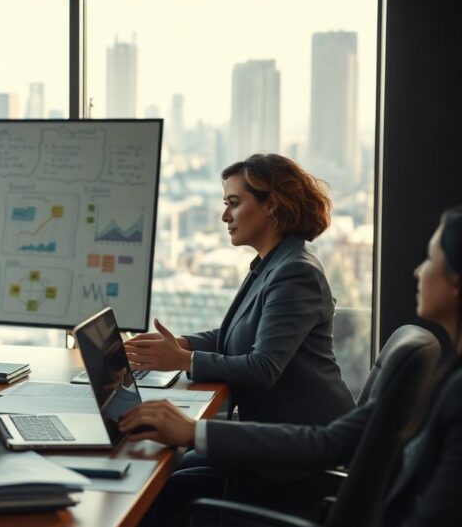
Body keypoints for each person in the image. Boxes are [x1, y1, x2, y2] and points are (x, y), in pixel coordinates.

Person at [120, 206, 462, 526]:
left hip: (297, 476)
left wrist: (192, 429)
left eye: (430, 259)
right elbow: (333, 441)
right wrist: (183, 352)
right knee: (173, 470)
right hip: (309, 454)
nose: (419, 271)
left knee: (164, 488)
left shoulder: (455, 395)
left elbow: (433, 512)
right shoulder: (447, 383)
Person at [125, 154, 354, 426]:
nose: (224, 216)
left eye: (233, 204)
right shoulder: (272, 262)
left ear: (270, 205)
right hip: (275, 432)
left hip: (303, 442)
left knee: (174, 459)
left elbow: (262, 368)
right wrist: (176, 345)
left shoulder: (295, 273)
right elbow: (235, 335)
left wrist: (183, 360)